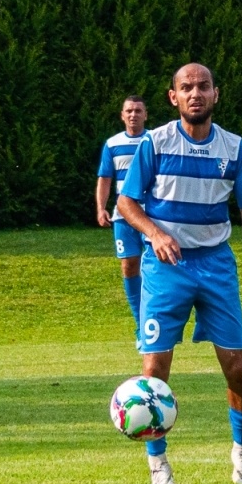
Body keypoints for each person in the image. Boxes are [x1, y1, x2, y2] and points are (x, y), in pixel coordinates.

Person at [117, 64, 242, 484]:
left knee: (237, 367)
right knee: (154, 370)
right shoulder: (154, 143)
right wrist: (155, 233)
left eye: (203, 86)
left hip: (216, 265)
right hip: (166, 268)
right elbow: (127, 203)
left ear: (216, 94)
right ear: (173, 97)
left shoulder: (236, 150)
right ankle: (157, 461)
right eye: (187, 88)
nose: (195, 93)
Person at [96, 96, 150, 334]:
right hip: (123, 217)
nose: (133, 114)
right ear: (122, 115)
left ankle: (158, 322)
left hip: (153, 217)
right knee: (129, 266)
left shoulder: (154, 141)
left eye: (138, 110)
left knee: (157, 267)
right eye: (129, 110)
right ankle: (141, 324)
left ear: (145, 115)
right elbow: (105, 178)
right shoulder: (112, 144)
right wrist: (101, 207)